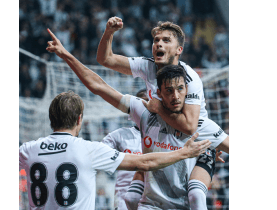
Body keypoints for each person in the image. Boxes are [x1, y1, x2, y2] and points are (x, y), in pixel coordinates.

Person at [45, 28, 228, 209]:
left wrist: (211, 149)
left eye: (180, 89)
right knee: (131, 197)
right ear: (157, 93)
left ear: (188, 91)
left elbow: (215, 139)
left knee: (196, 195)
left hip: (185, 202)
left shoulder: (198, 123)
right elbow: (98, 86)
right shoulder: (144, 110)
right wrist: (65, 54)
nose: (176, 96)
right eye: (169, 91)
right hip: (152, 204)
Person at [97, 17, 229, 209]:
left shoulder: (190, 78)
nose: (158, 43)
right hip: (168, 137)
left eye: (166, 40)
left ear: (179, 50)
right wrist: (109, 32)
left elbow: (189, 125)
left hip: (199, 135)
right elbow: (105, 59)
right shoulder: (147, 65)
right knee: (132, 198)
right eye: (156, 40)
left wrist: (158, 107)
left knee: (195, 195)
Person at [19, 90, 211, 209]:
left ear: (51, 118)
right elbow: (145, 162)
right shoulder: (88, 150)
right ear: (79, 120)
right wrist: (184, 153)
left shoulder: (28, 149)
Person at [101, 89, 148, 210]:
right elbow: (99, 153)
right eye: (143, 103)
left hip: (151, 201)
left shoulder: (163, 137)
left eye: (149, 102)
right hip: (123, 201)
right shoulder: (120, 135)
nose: (146, 107)